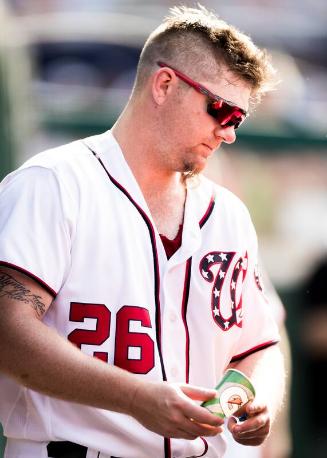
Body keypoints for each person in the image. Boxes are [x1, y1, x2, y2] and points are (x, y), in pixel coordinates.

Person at [0, 5, 285, 458]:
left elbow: (260, 344)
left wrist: (260, 394)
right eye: (219, 109)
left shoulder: (228, 214)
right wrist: (135, 397)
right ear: (165, 84)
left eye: (238, 119)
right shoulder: (53, 184)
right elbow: (7, 332)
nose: (227, 132)